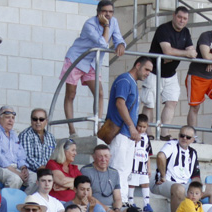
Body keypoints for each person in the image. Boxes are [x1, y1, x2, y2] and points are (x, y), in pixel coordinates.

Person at [61, 0, 125, 136]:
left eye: (110, 12)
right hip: (76, 59)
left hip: (92, 62)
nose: (108, 14)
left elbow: (118, 37)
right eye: (105, 11)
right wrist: (107, 26)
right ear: (98, 12)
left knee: (100, 93)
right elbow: (103, 44)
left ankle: (98, 127)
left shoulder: (114, 21)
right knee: (71, 94)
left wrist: (121, 44)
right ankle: (72, 129)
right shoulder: (90, 24)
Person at [106, 57, 154, 193]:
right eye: (146, 69)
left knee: (126, 170)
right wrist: (132, 127)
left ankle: (124, 200)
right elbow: (120, 104)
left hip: (128, 134)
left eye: (150, 71)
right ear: (137, 65)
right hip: (120, 132)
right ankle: (118, 201)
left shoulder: (131, 82)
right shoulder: (125, 80)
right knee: (118, 168)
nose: (148, 73)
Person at [143, 6, 195, 126]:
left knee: (172, 102)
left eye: (185, 18)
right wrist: (183, 53)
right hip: (154, 71)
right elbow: (167, 51)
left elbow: (192, 53)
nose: (182, 20)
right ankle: (148, 133)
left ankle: (164, 133)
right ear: (173, 16)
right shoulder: (164, 29)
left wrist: (173, 55)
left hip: (171, 74)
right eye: (179, 17)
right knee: (149, 104)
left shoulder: (186, 32)